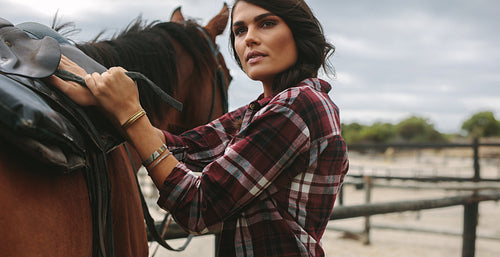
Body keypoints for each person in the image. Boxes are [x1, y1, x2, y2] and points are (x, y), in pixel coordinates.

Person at [50, 0, 349, 256]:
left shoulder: (298, 107)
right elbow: (187, 147)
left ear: (298, 31)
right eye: (240, 30)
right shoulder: (263, 109)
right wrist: (107, 102)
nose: (249, 39)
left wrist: (131, 112)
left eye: (266, 24)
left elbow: (198, 205)